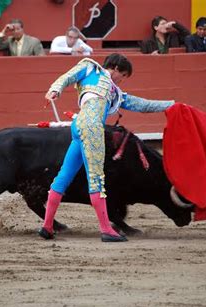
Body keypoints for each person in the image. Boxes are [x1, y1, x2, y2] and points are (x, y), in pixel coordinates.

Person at [39, 53, 175, 242]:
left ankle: (47, 226)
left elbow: (142, 105)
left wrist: (171, 105)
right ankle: (106, 230)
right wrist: (55, 89)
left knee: (63, 176)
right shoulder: (90, 66)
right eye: (124, 76)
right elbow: (67, 77)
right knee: (96, 179)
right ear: (117, 69)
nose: (122, 81)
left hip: (78, 126)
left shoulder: (114, 92)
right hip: (92, 128)